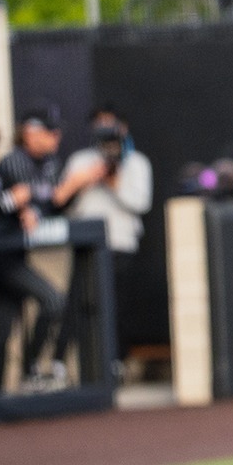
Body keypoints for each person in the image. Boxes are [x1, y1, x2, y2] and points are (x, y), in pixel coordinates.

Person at [61, 105, 153, 380]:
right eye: (100, 125)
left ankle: (115, 363)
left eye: (111, 125)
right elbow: (68, 207)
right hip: (86, 245)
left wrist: (114, 182)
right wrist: (87, 180)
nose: (106, 131)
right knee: (79, 304)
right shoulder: (80, 161)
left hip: (121, 244)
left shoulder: (136, 162)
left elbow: (140, 203)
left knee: (116, 306)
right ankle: (65, 364)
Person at [0, 110, 78, 390]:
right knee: (46, 303)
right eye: (50, 132)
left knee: (7, 328)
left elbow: (52, 203)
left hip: (18, 255)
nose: (57, 137)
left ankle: (24, 375)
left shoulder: (51, 163)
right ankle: (22, 375)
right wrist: (34, 208)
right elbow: (24, 203)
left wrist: (68, 191)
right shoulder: (13, 162)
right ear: (30, 132)